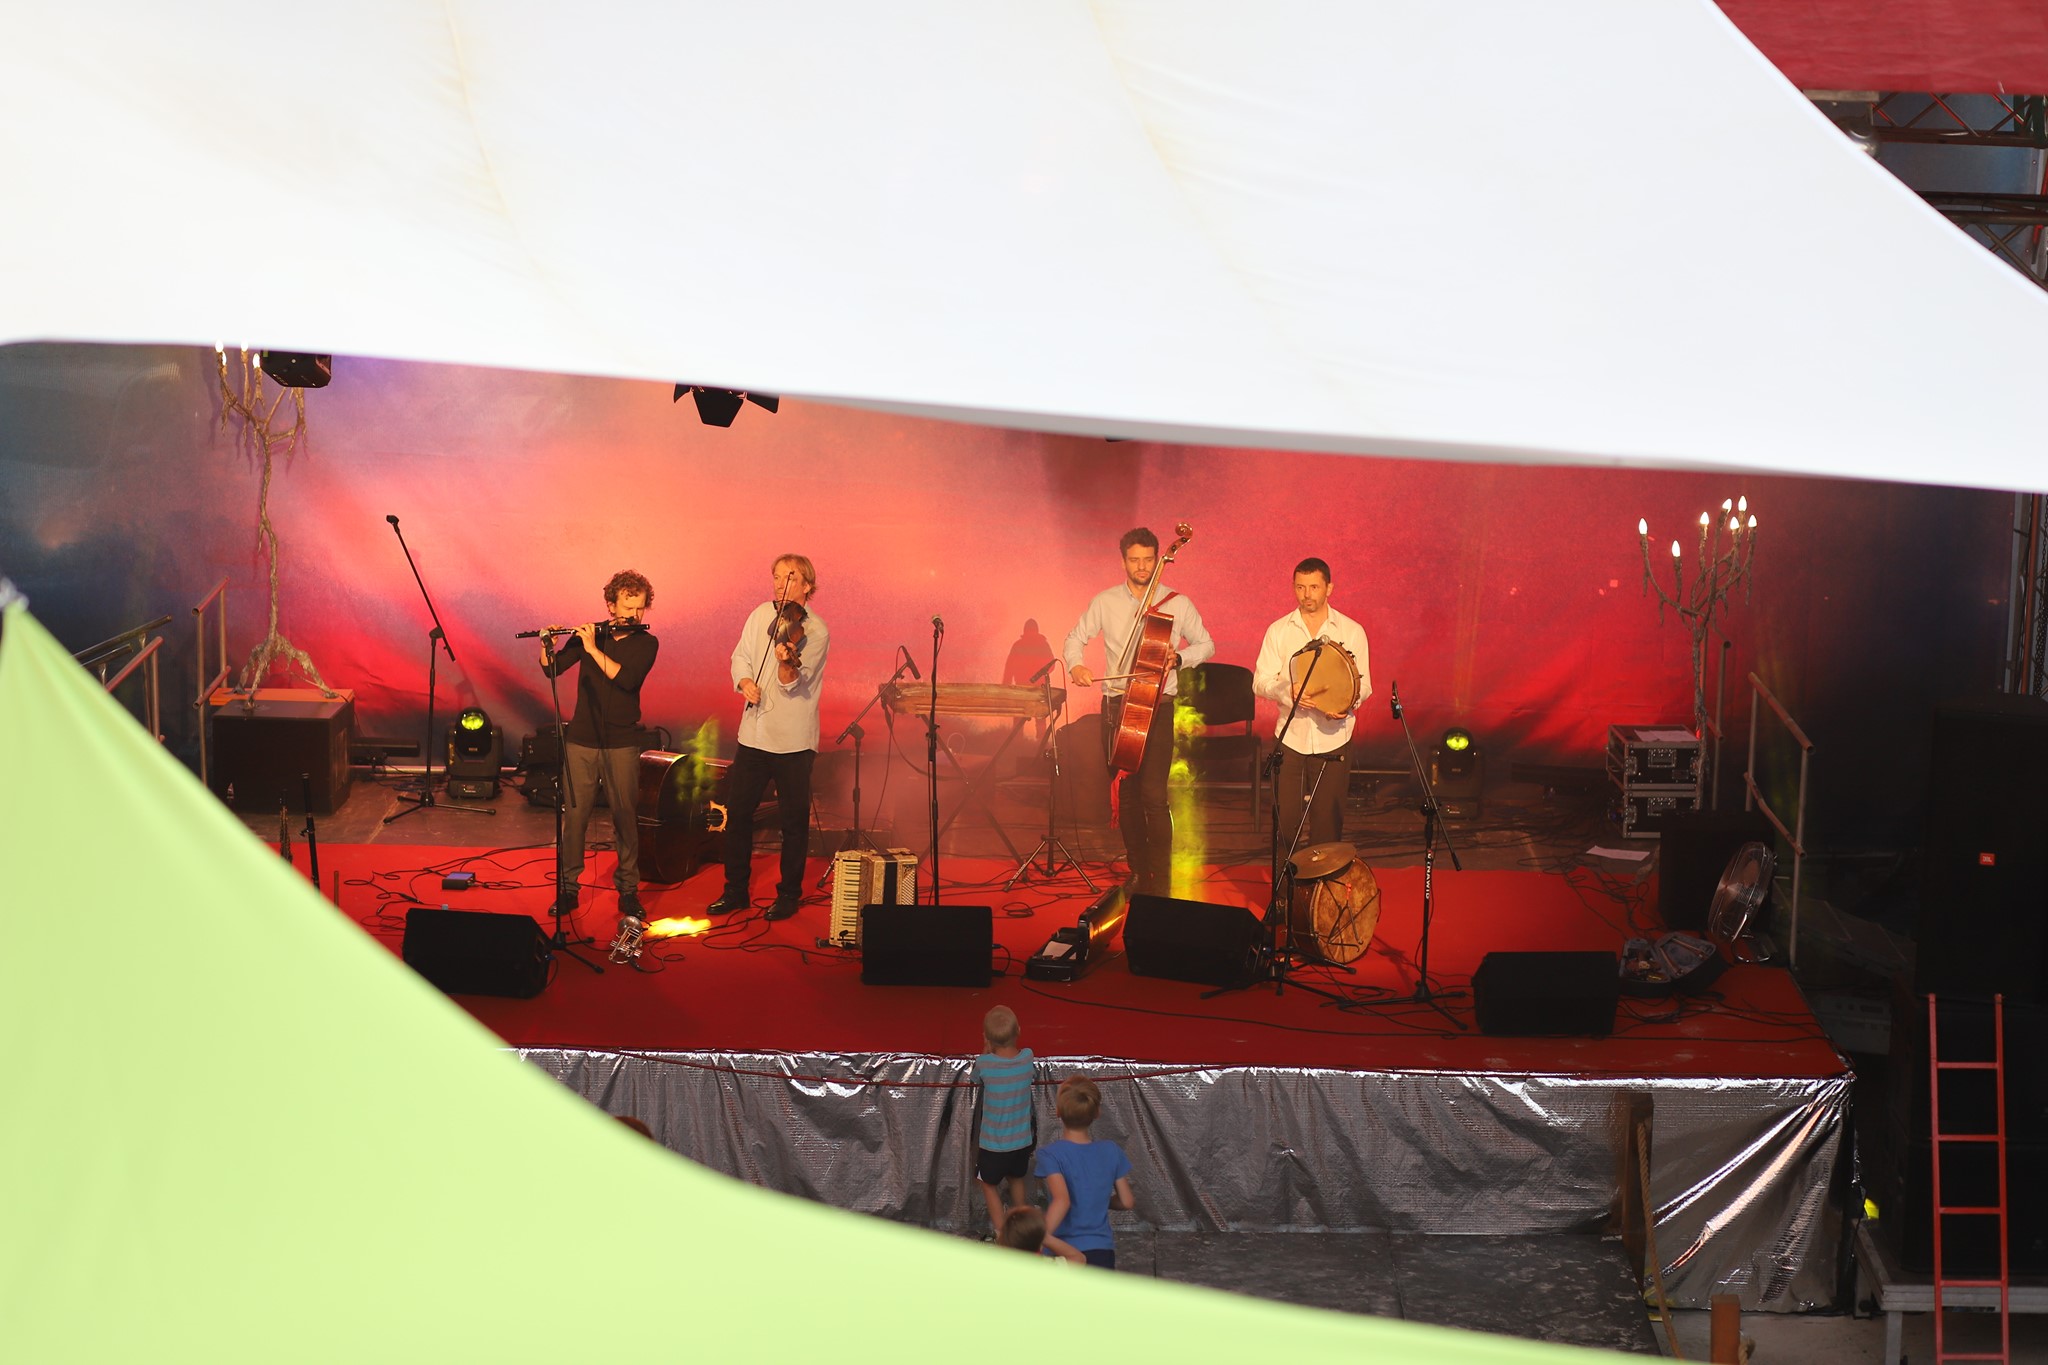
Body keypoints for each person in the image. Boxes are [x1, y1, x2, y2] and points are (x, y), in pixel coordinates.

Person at [1063, 528, 1213, 897]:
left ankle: (1161, 881)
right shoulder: (1105, 601)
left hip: (1158, 706)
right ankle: (1138, 872)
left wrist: (1179, 657)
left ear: (1159, 560)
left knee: (1153, 796)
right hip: (1117, 705)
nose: (1142, 566)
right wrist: (1076, 665)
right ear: (1123, 562)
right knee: (1127, 795)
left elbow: (1206, 644)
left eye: (1148, 559)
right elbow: (1074, 638)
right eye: (1134, 560)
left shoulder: (1177, 603)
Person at [707, 554, 829, 922]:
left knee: (793, 823)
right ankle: (735, 890)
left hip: (793, 741)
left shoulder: (816, 631)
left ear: (807, 585)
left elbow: (792, 684)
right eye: (776, 577)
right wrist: (745, 681)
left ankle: (788, 894)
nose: (779, 584)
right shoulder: (760, 614)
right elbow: (740, 655)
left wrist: (785, 661)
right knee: (738, 815)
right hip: (754, 735)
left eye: (789, 578)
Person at [539, 570, 658, 925]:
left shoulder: (647, 643)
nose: (634, 614)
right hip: (581, 739)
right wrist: (546, 646)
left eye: (640, 608)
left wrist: (591, 648)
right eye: (628, 606)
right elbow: (552, 669)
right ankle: (568, 888)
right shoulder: (591, 634)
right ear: (611, 605)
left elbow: (627, 680)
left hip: (622, 741)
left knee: (624, 815)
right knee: (575, 817)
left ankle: (628, 889)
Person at [1252, 557, 1372, 849]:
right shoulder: (1279, 630)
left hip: (1334, 736)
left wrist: (1345, 705)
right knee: (1286, 823)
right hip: (1290, 736)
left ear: (1329, 588)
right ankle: (1287, 879)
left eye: (1314, 587)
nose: (1307, 595)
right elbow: (1260, 681)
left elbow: (1365, 686)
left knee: (1327, 825)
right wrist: (1287, 692)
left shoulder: (1351, 630)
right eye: (1300, 587)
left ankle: (1322, 879)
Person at [1034, 1077, 1135, 1269]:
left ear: (1057, 1111)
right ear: (1097, 1112)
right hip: (1102, 1251)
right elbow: (1127, 1201)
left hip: (1063, 1250)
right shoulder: (1111, 1150)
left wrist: (1040, 1237)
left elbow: (1062, 1201)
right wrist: (1099, 1199)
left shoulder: (1050, 1154)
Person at [973, 1005, 1036, 1237]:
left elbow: (975, 1079)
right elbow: (1034, 1074)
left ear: (986, 1037)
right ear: (1019, 1030)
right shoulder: (1027, 1057)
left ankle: (1002, 1233)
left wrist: (986, 1050)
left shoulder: (984, 1063)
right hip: (1021, 1143)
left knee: (988, 1184)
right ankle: (1021, 1228)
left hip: (993, 1146)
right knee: (1016, 1178)